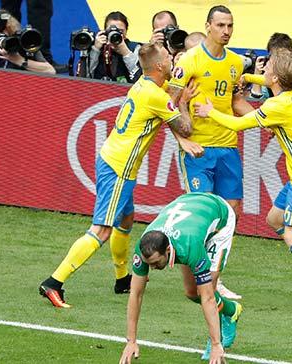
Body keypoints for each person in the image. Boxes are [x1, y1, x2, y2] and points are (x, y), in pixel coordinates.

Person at [38, 43, 203, 308]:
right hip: (119, 168)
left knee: (126, 220)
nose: (172, 62)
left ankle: (121, 279)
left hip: (112, 158)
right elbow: (185, 127)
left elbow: (165, 109)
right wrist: (184, 103)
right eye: (168, 59)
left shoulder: (143, 85)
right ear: (160, 66)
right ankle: (54, 282)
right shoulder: (158, 97)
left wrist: (175, 99)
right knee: (101, 230)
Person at [194, 48, 292, 311]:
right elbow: (268, 82)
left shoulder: (277, 106)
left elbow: (238, 125)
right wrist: (249, 79)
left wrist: (209, 111)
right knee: (275, 219)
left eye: (267, 67)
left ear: (274, 78)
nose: (264, 69)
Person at [168, 5, 249, 301]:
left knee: (230, 216)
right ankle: (198, 280)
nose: (226, 31)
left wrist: (264, 120)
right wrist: (182, 140)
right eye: (221, 25)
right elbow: (169, 104)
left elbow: (236, 102)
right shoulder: (189, 61)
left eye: (230, 25)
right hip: (199, 151)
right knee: (202, 217)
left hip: (228, 147)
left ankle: (216, 278)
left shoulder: (236, 63)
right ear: (208, 26)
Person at [118, 193, 242, 364]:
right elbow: (136, 294)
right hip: (190, 210)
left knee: (207, 289)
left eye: (155, 263)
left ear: (168, 250)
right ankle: (231, 310)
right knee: (192, 293)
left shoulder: (189, 247)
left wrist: (215, 344)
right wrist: (131, 341)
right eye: (149, 264)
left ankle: (216, 335)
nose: (151, 268)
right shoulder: (143, 249)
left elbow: (208, 298)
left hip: (219, 219)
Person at [0, 8, 55, 74]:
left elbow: (50, 71)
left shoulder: (23, 43)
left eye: (2, 31)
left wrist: (19, 60)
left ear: (11, 30)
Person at [88, 11, 141, 83]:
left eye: (120, 31)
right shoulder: (96, 48)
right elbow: (83, 77)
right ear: (104, 31)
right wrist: (95, 49)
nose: (115, 34)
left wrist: (126, 53)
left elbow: (140, 80)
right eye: (111, 30)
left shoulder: (135, 48)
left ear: (126, 32)